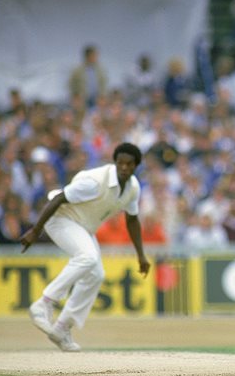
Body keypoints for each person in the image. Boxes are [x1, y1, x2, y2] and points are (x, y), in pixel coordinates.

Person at [20, 143, 151, 352]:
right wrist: (36, 230)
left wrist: (141, 256)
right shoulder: (94, 181)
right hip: (60, 219)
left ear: (136, 165)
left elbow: (132, 220)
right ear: (114, 163)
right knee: (88, 257)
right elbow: (59, 198)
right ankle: (45, 302)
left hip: (83, 227)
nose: (124, 168)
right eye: (120, 163)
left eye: (129, 164)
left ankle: (62, 327)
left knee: (96, 275)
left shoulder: (133, 187)